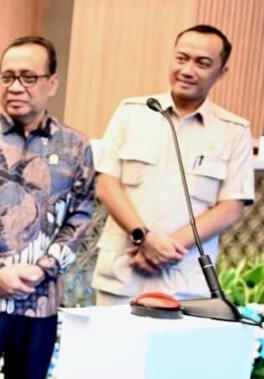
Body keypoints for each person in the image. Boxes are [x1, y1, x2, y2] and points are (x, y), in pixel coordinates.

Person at [0, 36, 95, 379]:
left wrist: (43, 269)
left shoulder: (75, 146)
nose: (16, 87)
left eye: (29, 77)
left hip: (40, 297)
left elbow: (81, 213)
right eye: (7, 77)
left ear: (52, 83)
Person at [93, 25, 254, 304]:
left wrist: (166, 248)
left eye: (202, 63)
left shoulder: (234, 131)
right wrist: (145, 238)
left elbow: (231, 207)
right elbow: (106, 185)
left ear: (221, 72)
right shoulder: (131, 113)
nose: (188, 70)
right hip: (122, 275)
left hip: (186, 282)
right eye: (182, 58)